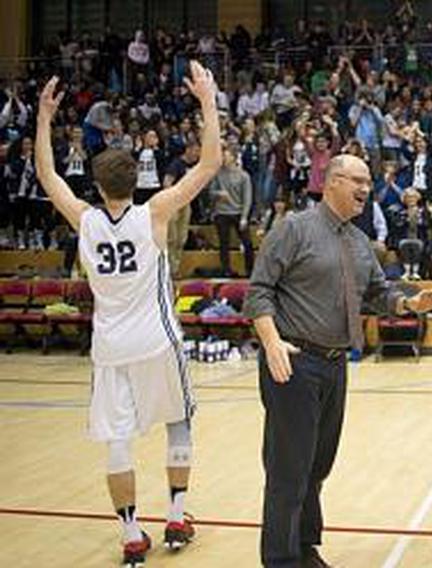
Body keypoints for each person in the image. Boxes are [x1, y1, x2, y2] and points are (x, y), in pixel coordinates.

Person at [34, 61, 222, 568]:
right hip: (158, 340)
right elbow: (208, 165)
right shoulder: (154, 213)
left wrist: (45, 118)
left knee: (118, 438)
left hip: (111, 347)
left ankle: (131, 533)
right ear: (136, 179)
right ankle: (178, 515)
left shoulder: (85, 219)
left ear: (96, 186)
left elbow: (48, 175)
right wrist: (207, 100)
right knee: (178, 421)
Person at [244, 154, 432, 568]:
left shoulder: (357, 240)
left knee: (317, 463)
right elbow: (259, 291)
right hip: (293, 360)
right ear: (333, 181)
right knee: (288, 467)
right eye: (358, 180)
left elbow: (376, 291)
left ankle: (305, 546)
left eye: (368, 182)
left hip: (335, 364)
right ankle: (280, 559)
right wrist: (271, 341)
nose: (365, 189)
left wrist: (408, 301)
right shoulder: (294, 229)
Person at [209, 144, 254, 277]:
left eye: (226, 156)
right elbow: (210, 192)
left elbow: (247, 198)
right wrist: (218, 194)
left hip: (238, 212)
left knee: (247, 243)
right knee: (224, 244)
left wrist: (244, 217)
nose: (223, 158)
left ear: (234, 158)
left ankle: (250, 270)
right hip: (222, 212)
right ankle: (226, 270)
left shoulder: (244, 176)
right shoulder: (218, 173)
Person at [164, 139, 200, 279]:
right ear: (189, 149)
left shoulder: (195, 165)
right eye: (196, 151)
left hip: (187, 203)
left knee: (182, 238)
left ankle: (175, 268)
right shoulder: (177, 164)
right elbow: (167, 182)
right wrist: (174, 196)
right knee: (171, 238)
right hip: (174, 204)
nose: (198, 155)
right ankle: (169, 268)